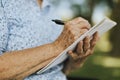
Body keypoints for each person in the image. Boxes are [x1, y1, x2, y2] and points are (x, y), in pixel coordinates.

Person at [0, 0, 99, 80]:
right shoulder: (4, 4)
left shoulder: (53, 12)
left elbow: (62, 70)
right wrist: (58, 46)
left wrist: (77, 60)